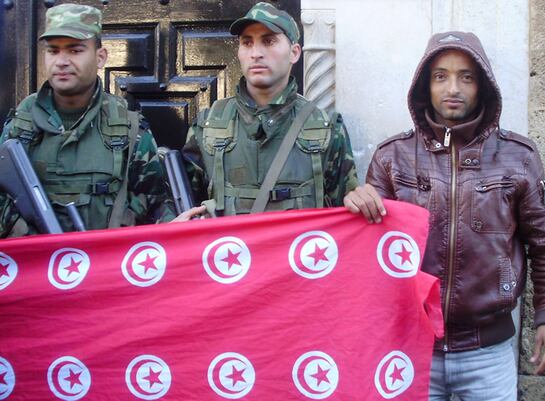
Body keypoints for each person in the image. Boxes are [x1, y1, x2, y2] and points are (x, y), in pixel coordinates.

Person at [344, 31, 545, 400]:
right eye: (441, 76)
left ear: (482, 84)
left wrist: (544, 314)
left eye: (466, 76)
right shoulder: (393, 157)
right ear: (425, 84)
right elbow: (370, 256)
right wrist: (358, 206)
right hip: (410, 345)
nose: (453, 87)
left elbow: (542, 243)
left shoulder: (520, 156)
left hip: (489, 351)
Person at [0, 3, 176, 236]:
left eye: (75, 50)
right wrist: (25, 232)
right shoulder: (19, 127)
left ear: (100, 57)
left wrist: (176, 230)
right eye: (53, 51)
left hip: (108, 265)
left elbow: (156, 204)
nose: (61, 61)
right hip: (34, 266)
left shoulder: (130, 129)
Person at [181, 2, 358, 218]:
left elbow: (345, 212)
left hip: (297, 250)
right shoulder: (208, 124)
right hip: (229, 250)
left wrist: (361, 198)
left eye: (269, 41)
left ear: (294, 53)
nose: (256, 53)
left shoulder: (325, 126)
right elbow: (183, 203)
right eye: (247, 43)